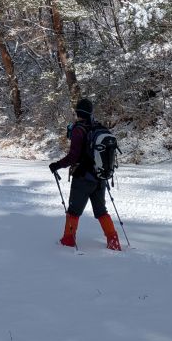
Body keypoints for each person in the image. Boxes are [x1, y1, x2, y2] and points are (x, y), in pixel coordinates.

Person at [49, 98, 122, 250]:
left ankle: (68, 240)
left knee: (73, 211)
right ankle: (113, 241)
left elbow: (73, 156)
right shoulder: (98, 127)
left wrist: (57, 165)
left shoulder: (78, 129)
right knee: (101, 211)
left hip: (83, 177)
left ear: (78, 112)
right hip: (100, 177)